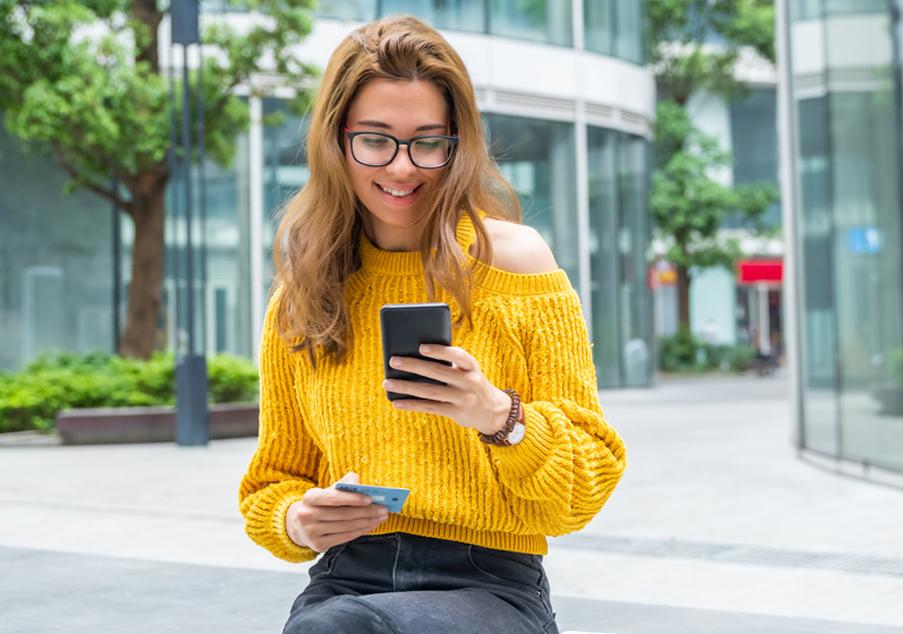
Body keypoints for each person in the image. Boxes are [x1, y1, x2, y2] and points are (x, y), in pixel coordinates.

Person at [236, 15, 626, 634]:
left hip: (489, 583)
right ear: (336, 141)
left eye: (427, 141)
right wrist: (297, 521)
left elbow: (585, 488)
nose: (401, 169)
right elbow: (271, 483)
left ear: (457, 143)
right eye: (376, 140)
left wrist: (501, 417)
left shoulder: (517, 264)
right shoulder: (303, 292)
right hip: (345, 578)